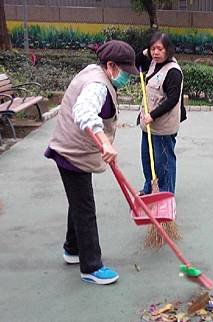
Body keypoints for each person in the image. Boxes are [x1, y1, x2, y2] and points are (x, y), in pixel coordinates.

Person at [45, 40, 138, 284]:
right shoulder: (97, 84)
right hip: (72, 152)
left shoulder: (97, 72)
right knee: (85, 208)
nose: (127, 78)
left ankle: (72, 248)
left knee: (77, 202)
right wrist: (105, 143)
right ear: (110, 65)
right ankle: (91, 266)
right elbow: (84, 111)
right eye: (125, 72)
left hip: (71, 149)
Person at [135, 32, 186, 196]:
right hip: (148, 124)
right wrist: (146, 52)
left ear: (168, 50)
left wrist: (153, 115)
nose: (155, 52)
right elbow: (136, 62)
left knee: (163, 162)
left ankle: (166, 193)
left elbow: (172, 100)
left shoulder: (173, 72)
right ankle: (149, 188)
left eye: (160, 49)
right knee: (147, 159)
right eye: (153, 49)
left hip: (163, 127)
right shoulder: (152, 62)